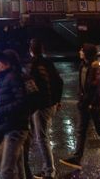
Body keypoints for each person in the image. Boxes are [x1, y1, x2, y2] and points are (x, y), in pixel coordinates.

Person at [60, 43, 100, 172]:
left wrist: (91, 103)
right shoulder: (83, 65)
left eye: (82, 50)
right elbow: (82, 85)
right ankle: (77, 158)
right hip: (84, 104)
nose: (80, 51)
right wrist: (81, 99)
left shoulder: (95, 67)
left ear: (87, 53)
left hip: (92, 105)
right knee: (81, 130)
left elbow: (95, 88)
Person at [0, 51, 29, 179]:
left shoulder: (12, 77)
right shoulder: (2, 78)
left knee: (6, 170)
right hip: (8, 125)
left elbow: (22, 101)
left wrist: (1, 111)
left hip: (15, 127)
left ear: (1, 65)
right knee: (16, 164)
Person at [26, 39, 63, 179]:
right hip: (51, 104)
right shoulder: (48, 63)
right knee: (44, 136)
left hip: (41, 106)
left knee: (42, 138)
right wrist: (57, 101)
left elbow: (32, 89)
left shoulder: (33, 65)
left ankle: (49, 171)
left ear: (31, 50)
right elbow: (59, 82)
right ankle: (47, 168)